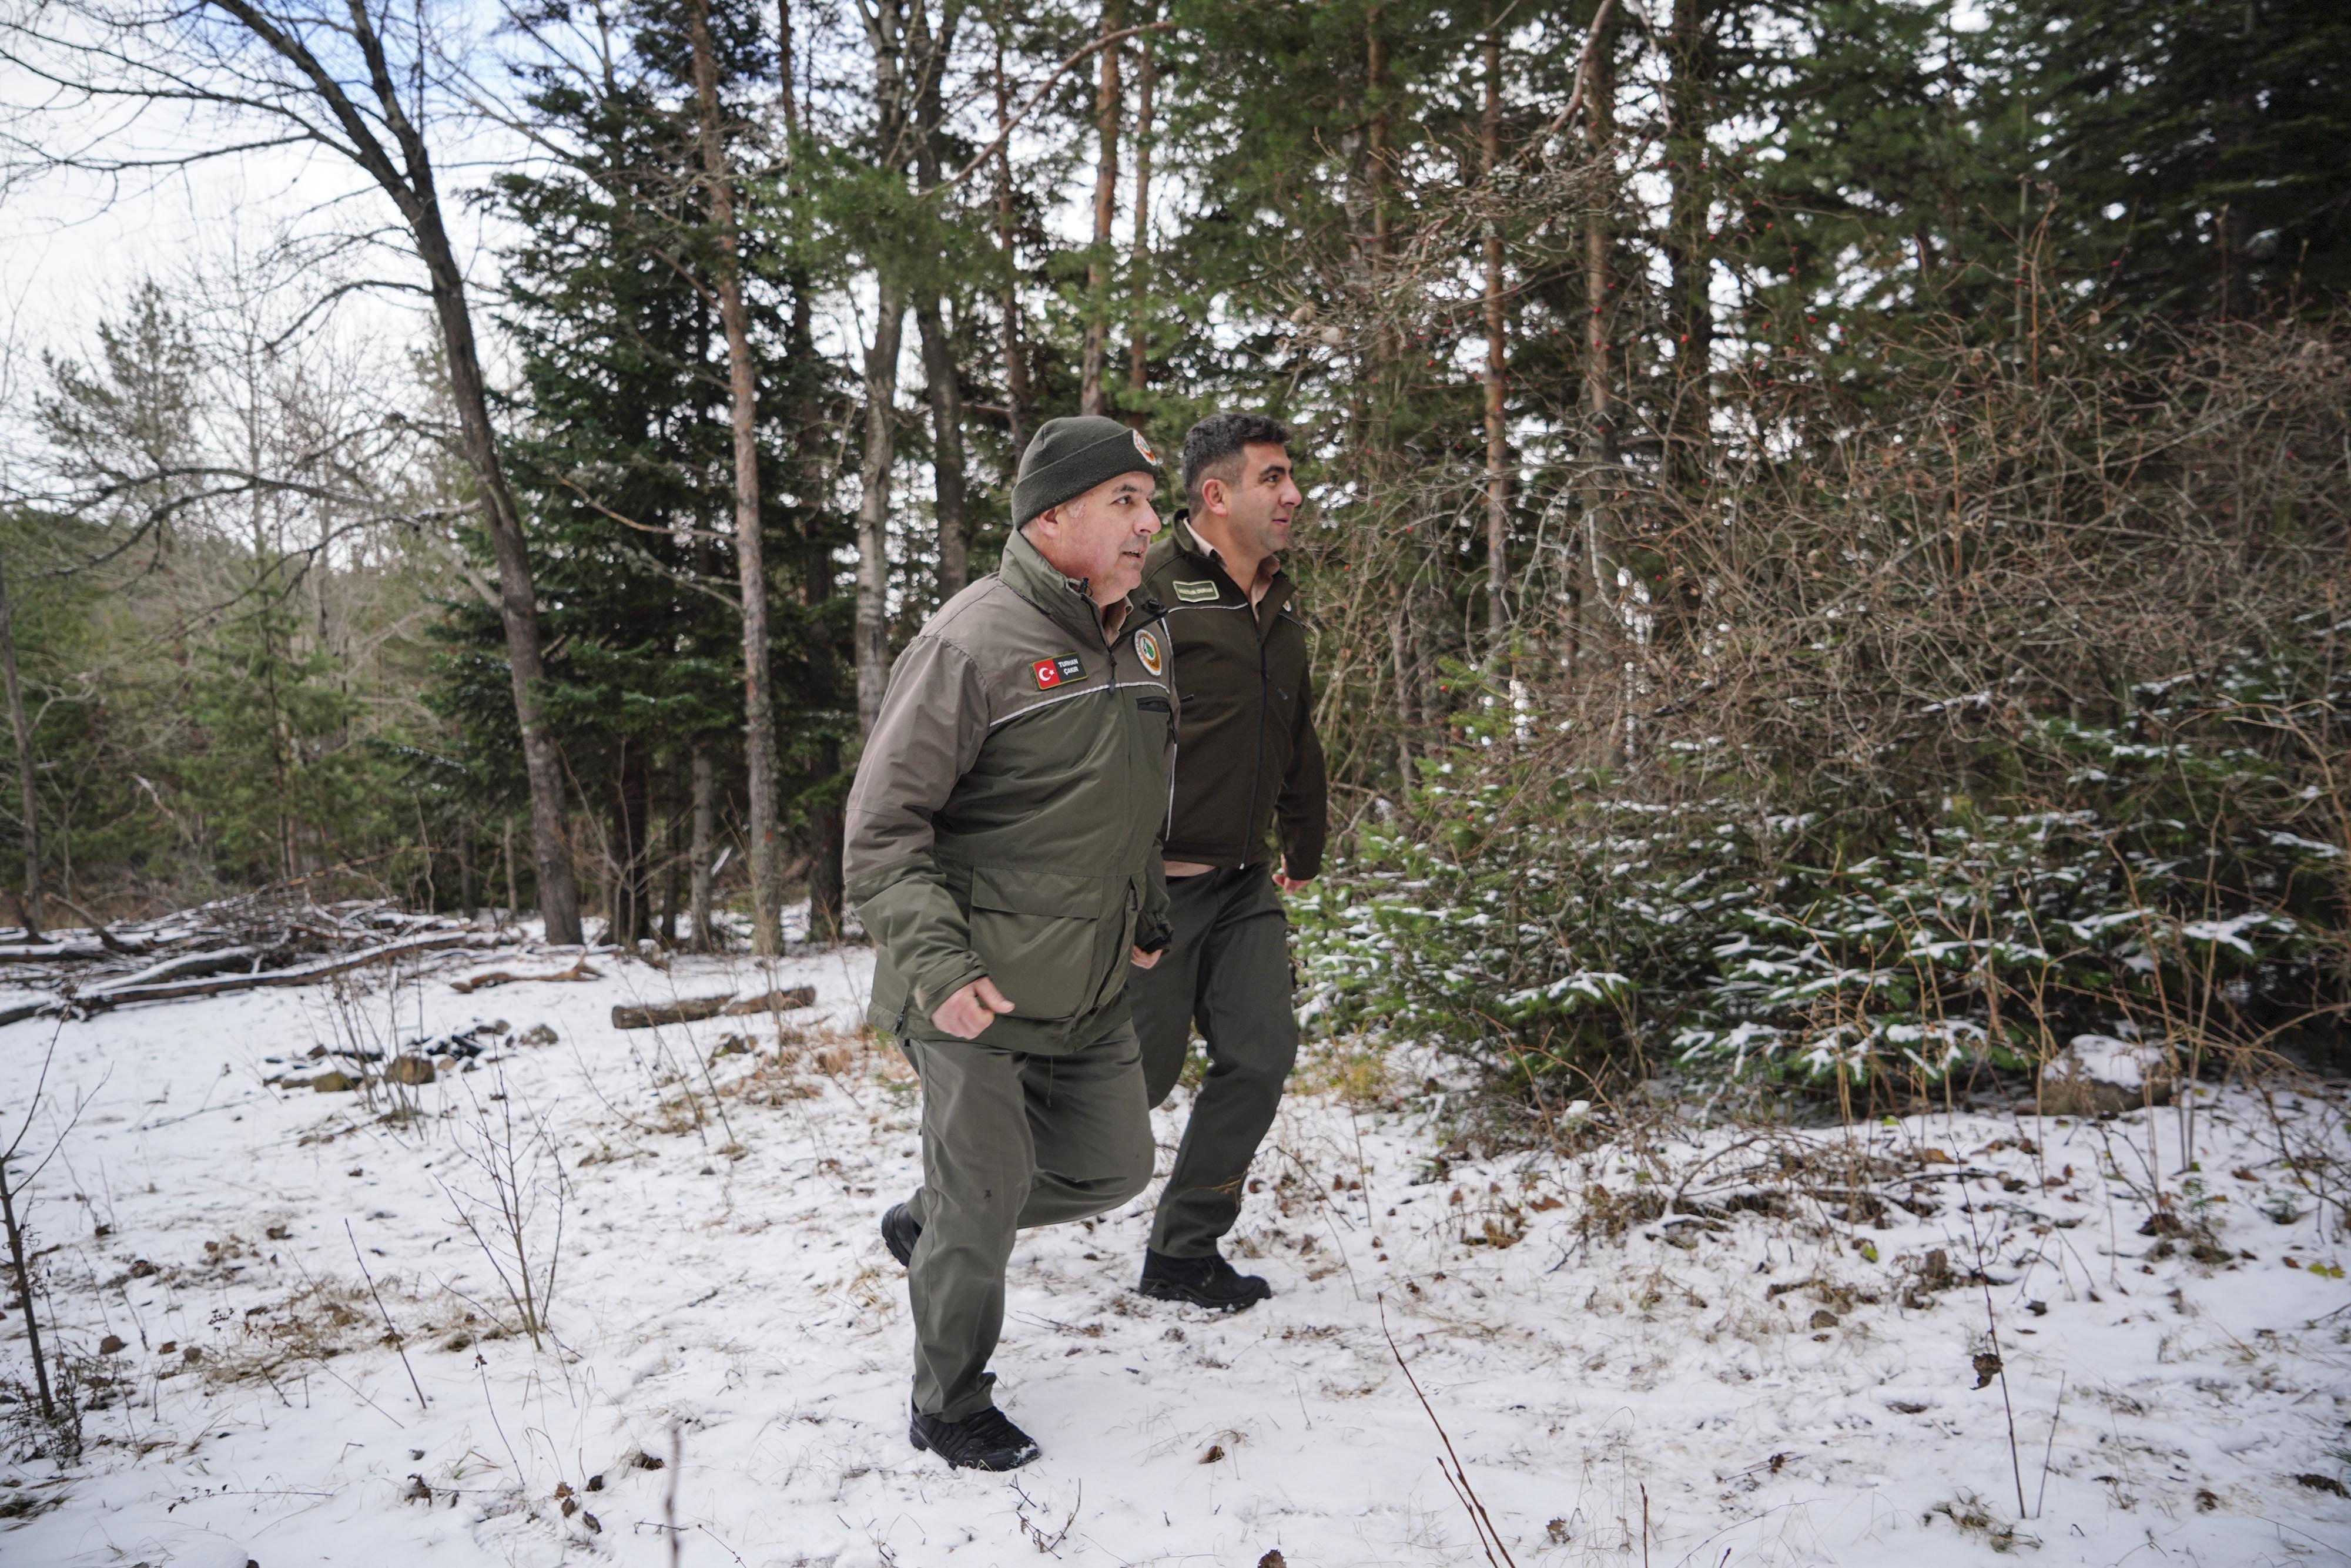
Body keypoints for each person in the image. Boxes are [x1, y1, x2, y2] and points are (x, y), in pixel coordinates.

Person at [844, 414, 1178, 1472]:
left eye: (1150, 503)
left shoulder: (1145, 633)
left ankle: (937, 1221)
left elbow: (1135, 798)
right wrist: (940, 970)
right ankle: (948, 1402)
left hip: (1088, 979)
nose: (1150, 524)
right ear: (1052, 518)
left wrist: (1147, 913)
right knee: (984, 1195)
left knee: (1114, 1167)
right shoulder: (970, 642)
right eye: (1124, 502)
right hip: (971, 985)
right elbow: (881, 832)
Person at [1127, 412, 1326, 1310]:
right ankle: (953, 1211)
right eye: (1272, 478)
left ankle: (1183, 1251)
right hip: (1155, 891)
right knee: (1133, 1081)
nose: (1293, 495)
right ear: (1216, 494)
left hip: (1245, 880)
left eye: (1290, 477)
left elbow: (1296, 731)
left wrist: (1303, 840)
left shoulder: (1278, 602)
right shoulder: (1149, 587)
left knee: (1260, 1054)